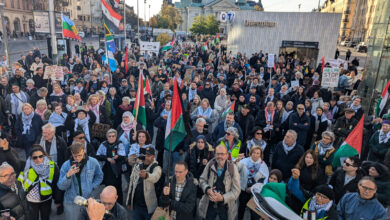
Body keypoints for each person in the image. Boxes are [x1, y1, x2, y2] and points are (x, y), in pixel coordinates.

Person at [57, 142, 103, 219]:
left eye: (80, 155)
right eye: (75, 156)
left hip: (88, 199)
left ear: (83, 151)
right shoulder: (66, 165)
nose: (77, 158)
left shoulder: (93, 162)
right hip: (71, 201)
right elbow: (61, 186)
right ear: (71, 153)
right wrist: (68, 175)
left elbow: (99, 176)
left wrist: (92, 186)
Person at [17, 145, 60, 220]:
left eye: (41, 156)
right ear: (30, 157)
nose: (38, 159)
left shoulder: (52, 166)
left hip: (46, 199)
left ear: (44, 155)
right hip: (31, 200)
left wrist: (57, 200)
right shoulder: (25, 166)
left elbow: (56, 184)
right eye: (35, 157)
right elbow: (20, 181)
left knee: (45, 218)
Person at [199, 145, 240, 220]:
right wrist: (207, 189)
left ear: (227, 155)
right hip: (209, 205)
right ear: (215, 154)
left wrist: (222, 198)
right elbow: (202, 180)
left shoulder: (233, 168)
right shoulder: (210, 164)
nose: (219, 156)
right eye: (218, 154)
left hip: (225, 207)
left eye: (222, 154)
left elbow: (236, 191)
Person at [126, 147, 162, 220]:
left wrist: (146, 176)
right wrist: (129, 201)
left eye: (148, 156)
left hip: (149, 208)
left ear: (153, 157)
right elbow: (131, 184)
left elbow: (155, 177)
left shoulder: (156, 168)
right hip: (137, 206)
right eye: (144, 155)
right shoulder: (137, 166)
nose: (146, 158)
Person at [95, 129, 126, 204]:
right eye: (110, 136)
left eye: (113, 136)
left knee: (118, 188)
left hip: (116, 170)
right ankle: (108, 203)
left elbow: (123, 156)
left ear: (116, 137)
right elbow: (98, 155)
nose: (111, 138)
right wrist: (107, 158)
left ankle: (119, 204)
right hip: (107, 169)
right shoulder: (103, 144)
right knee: (108, 187)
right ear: (107, 137)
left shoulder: (119, 144)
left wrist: (117, 156)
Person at [238, 146, 269, 220]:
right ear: (250, 153)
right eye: (254, 152)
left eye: (258, 153)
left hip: (255, 192)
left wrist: (254, 188)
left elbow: (265, 180)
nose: (255, 155)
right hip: (244, 189)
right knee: (241, 207)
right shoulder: (244, 161)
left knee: (254, 209)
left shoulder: (263, 165)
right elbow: (237, 173)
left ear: (260, 155)